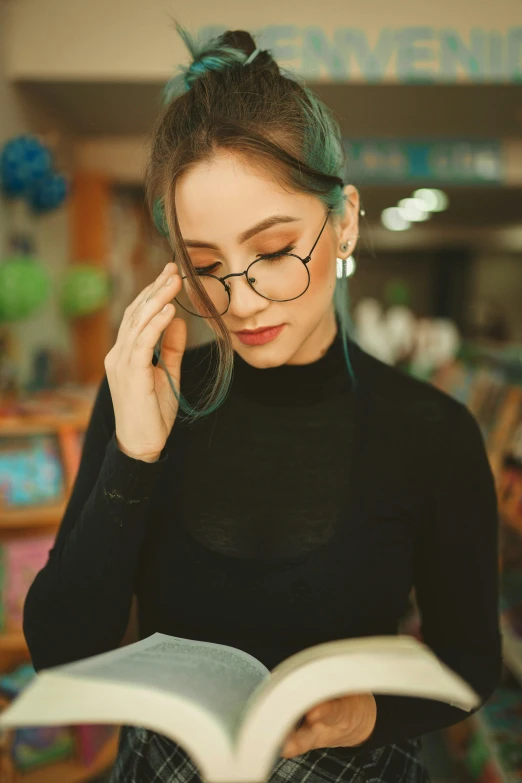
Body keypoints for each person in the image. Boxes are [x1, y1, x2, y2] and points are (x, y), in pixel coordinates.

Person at [23, 25, 502, 783]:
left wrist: (369, 711)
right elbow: (59, 652)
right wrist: (134, 456)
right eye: (206, 265)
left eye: (274, 251)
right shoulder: (148, 404)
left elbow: (472, 659)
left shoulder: (432, 430)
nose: (240, 300)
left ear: (343, 220)